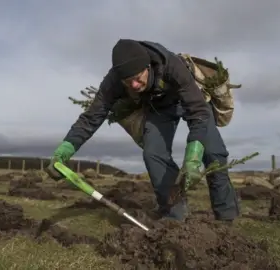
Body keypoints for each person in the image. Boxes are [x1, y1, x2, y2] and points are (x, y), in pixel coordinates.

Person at [45, 39, 240, 223]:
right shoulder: (113, 81)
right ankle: (175, 216)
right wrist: (65, 150)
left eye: (138, 79)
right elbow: (91, 118)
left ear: (148, 67)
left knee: (214, 153)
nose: (134, 86)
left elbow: (197, 112)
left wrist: (193, 156)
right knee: (153, 154)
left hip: (190, 100)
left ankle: (226, 218)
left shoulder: (172, 65)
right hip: (159, 108)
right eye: (128, 82)